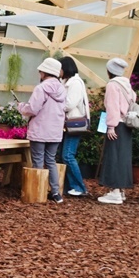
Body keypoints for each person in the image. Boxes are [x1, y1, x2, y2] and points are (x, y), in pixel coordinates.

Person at [18, 57, 67, 203]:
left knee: (38, 160)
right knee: (51, 160)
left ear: (45, 72)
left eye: (41, 71)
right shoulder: (62, 89)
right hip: (55, 131)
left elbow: (33, 109)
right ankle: (56, 193)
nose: (39, 73)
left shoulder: (41, 88)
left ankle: (39, 193)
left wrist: (21, 107)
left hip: (40, 130)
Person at [98, 58, 135, 204]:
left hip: (117, 124)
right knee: (123, 157)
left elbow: (112, 106)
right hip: (126, 124)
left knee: (113, 156)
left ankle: (114, 192)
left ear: (109, 71)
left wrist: (111, 126)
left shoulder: (113, 85)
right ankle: (121, 190)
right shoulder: (127, 84)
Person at [61, 57, 90, 197]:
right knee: (65, 155)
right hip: (68, 123)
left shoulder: (75, 83)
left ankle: (80, 187)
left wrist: (55, 106)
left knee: (68, 155)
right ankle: (71, 186)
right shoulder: (67, 82)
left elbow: (70, 104)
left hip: (73, 123)